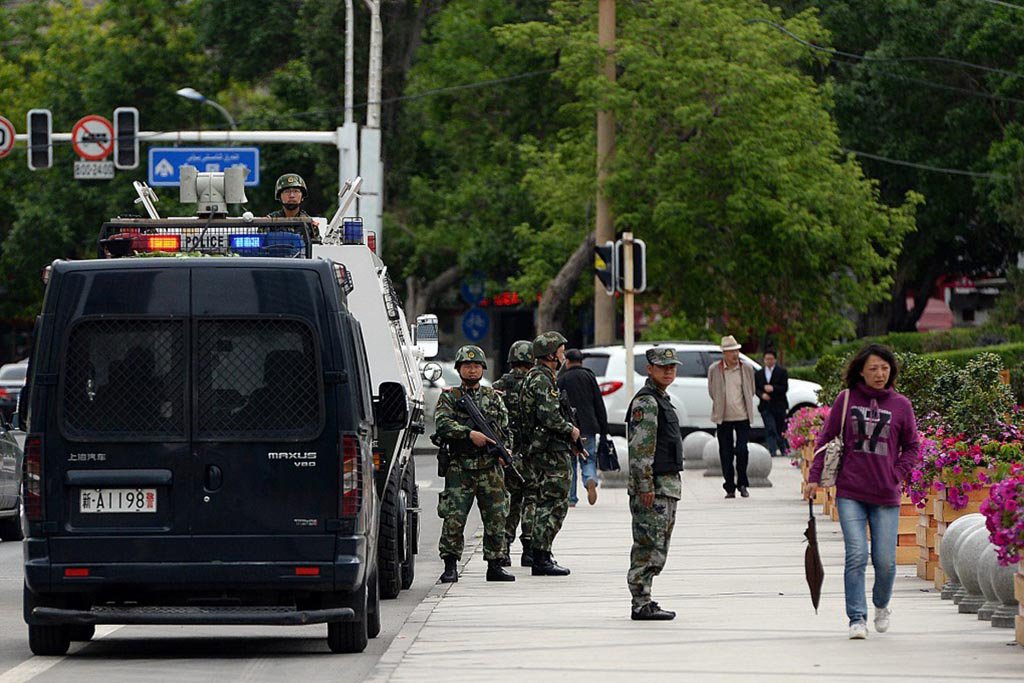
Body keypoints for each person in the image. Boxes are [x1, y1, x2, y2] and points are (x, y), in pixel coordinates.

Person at [804, 343, 920, 640]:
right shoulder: (846, 400)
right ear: (860, 372)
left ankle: (881, 604)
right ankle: (857, 618)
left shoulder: (901, 406)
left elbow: (912, 447)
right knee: (855, 554)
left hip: (885, 495)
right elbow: (824, 439)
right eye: (873, 369)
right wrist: (813, 479)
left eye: (884, 368)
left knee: (885, 561)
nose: (880, 374)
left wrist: (897, 473)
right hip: (851, 492)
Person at [433, 345, 515, 583]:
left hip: (490, 467)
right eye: (467, 366)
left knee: (497, 516)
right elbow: (443, 424)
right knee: (453, 517)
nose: (472, 370)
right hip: (461, 466)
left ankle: (495, 564)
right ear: (459, 369)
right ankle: (450, 565)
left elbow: (506, 428)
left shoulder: (493, 397)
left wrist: (506, 449)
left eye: (476, 366)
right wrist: (469, 434)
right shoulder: (450, 397)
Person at [626, 347, 684, 621]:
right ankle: (640, 602)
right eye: (663, 367)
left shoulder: (662, 399)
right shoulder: (647, 403)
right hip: (655, 488)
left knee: (658, 546)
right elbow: (641, 449)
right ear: (649, 369)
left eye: (672, 366)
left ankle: (645, 598)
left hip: (666, 486)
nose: (668, 371)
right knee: (649, 545)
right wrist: (645, 486)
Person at [520, 331, 578, 576]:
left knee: (547, 500)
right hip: (550, 450)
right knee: (555, 502)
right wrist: (571, 430)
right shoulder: (542, 379)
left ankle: (541, 553)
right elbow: (549, 417)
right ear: (551, 354)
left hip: (543, 448)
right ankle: (542, 555)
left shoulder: (540, 376)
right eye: (561, 351)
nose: (563, 355)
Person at [493, 339, 535, 567]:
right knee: (531, 498)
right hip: (530, 454)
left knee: (508, 502)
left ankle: (504, 548)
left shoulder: (498, 387)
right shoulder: (534, 385)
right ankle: (529, 548)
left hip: (505, 454)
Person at [557, 348, 608, 507]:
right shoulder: (589, 377)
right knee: (589, 458)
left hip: (570, 428)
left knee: (570, 462)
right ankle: (590, 479)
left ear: (568, 361)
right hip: (589, 426)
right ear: (581, 361)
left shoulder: (563, 378)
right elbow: (598, 403)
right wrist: (604, 428)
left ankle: (571, 498)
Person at [707, 334, 755, 498]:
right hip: (723, 417)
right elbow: (712, 391)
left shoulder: (746, 368)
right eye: (731, 352)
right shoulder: (715, 369)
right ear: (724, 353)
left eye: (736, 351)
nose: (735, 355)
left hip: (743, 416)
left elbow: (751, 389)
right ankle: (729, 486)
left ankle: (742, 483)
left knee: (742, 450)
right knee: (725, 453)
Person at [754, 350, 789, 457]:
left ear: (775, 360)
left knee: (780, 428)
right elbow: (756, 388)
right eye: (767, 359)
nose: (769, 361)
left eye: (771, 359)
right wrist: (762, 394)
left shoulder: (782, 372)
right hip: (765, 405)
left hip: (779, 404)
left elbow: (784, 388)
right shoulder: (759, 373)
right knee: (770, 428)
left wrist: (773, 388)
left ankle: (783, 448)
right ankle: (772, 450)